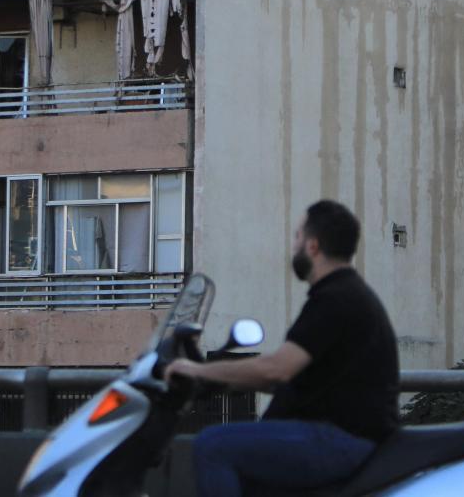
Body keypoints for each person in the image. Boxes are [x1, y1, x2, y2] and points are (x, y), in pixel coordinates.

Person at [165, 200, 400, 497]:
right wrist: (222, 380)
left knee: (212, 446)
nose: (294, 246)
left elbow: (277, 369)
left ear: (313, 246)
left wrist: (198, 370)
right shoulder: (345, 294)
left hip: (342, 438)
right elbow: (288, 379)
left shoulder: (336, 300)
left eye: (298, 237)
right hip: (350, 435)